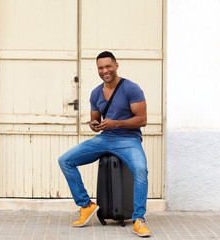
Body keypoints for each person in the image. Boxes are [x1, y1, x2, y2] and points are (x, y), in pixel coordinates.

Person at [58, 51, 151, 237]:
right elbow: (94, 119)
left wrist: (116, 123)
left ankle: (138, 219)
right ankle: (86, 205)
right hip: (104, 138)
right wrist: (94, 125)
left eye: (108, 66)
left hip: (128, 139)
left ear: (116, 66)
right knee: (65, 160)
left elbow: (142, 120)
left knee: (141, 170)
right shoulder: (95, 93)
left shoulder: (131, 89)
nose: (104, 71)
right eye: (101, 68)